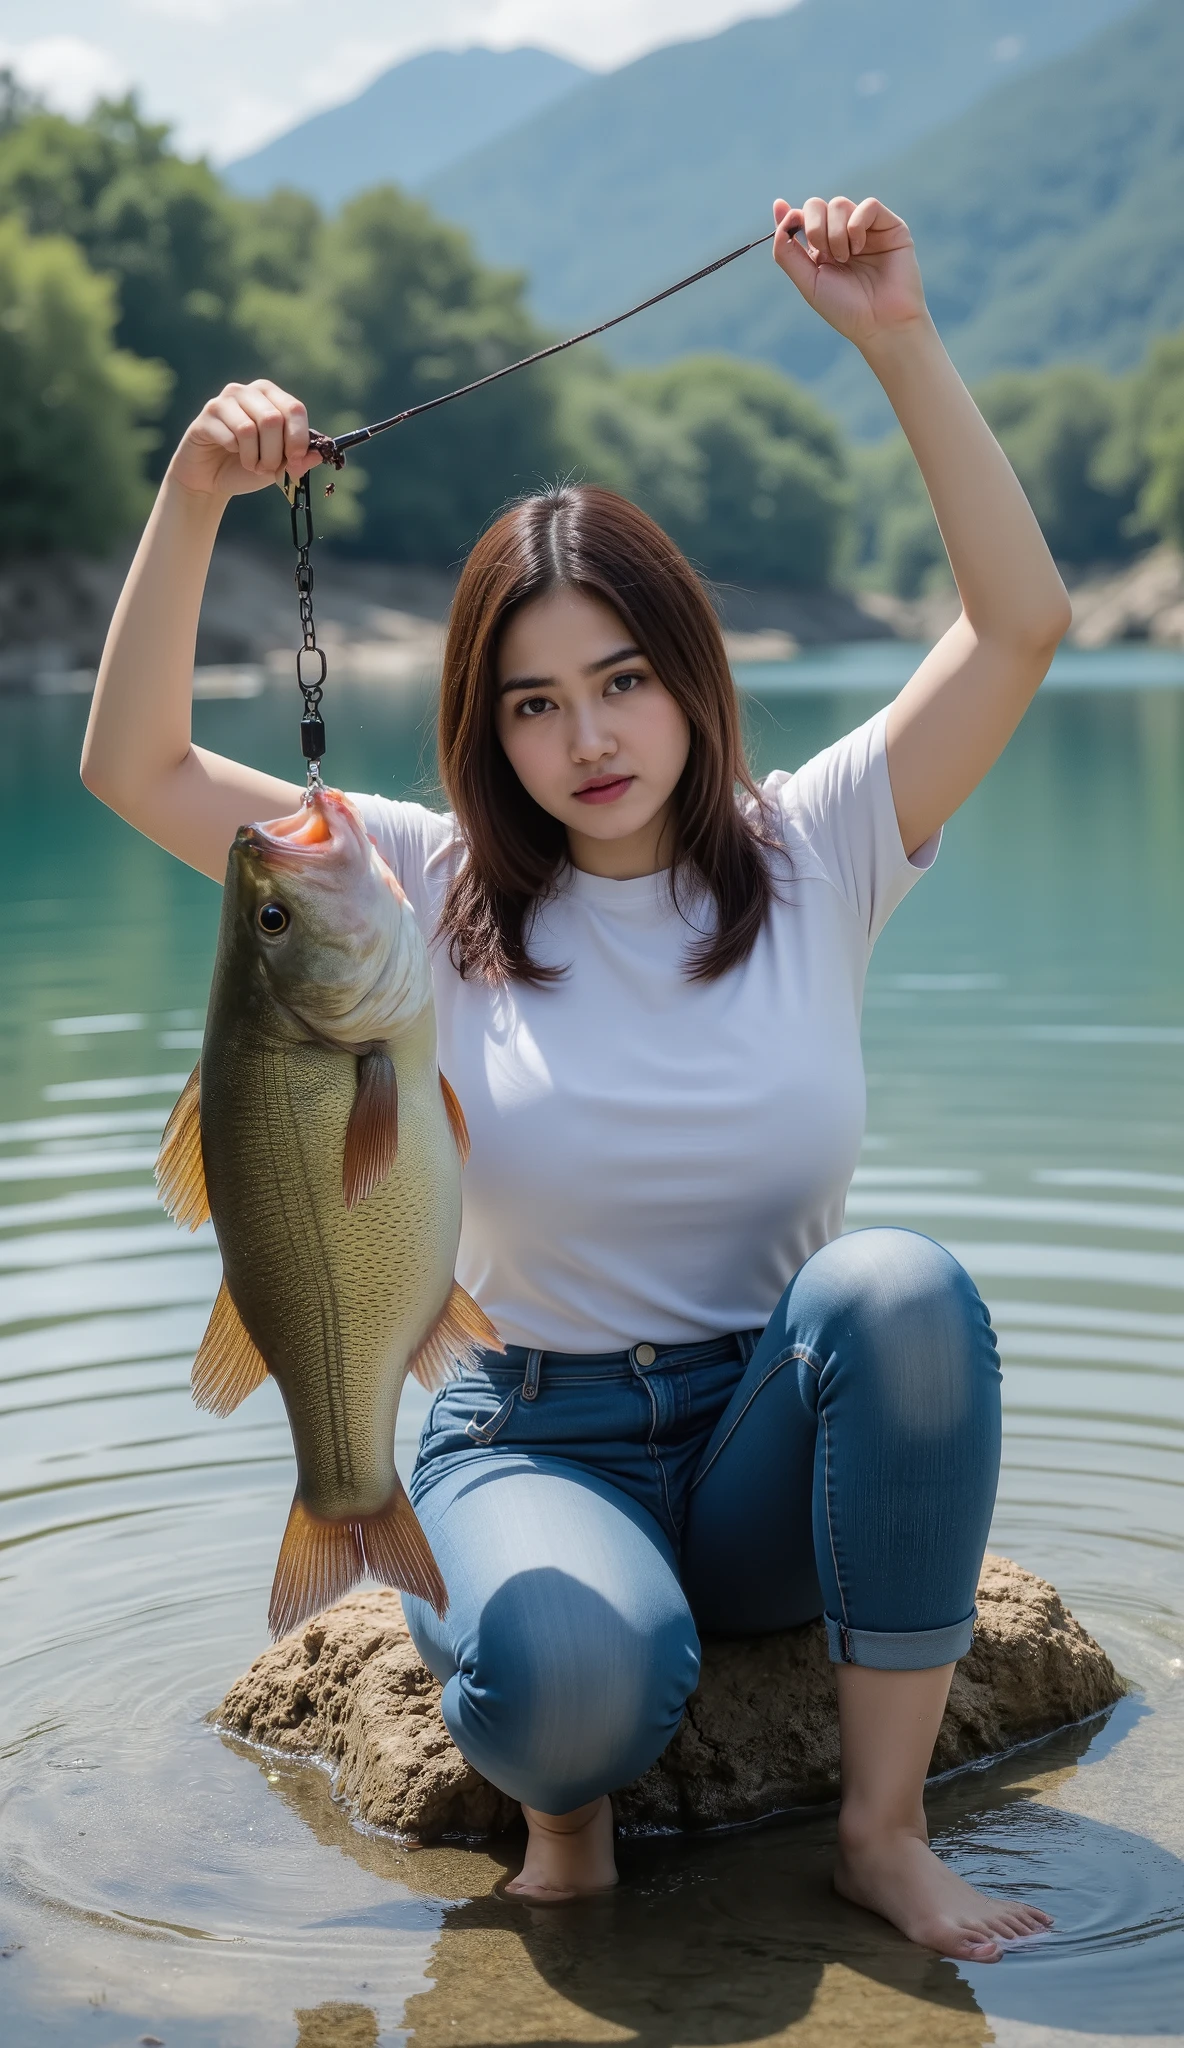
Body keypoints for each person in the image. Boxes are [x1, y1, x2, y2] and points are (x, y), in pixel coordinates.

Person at [82, 196, 1070, 1959]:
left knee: (905, 1292)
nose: (587, 738)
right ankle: (564, 1811)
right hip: (524, 1425)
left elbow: (1017, 628)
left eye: (621, 681)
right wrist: (191, 497)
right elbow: (133, 760)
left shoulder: (824, 839)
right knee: (569, 1680)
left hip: (769, 1441)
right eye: (534, 704)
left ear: (691, 677)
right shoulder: (405, 883)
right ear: (483, 724)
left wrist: (900, 338)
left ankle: (882, 1834)